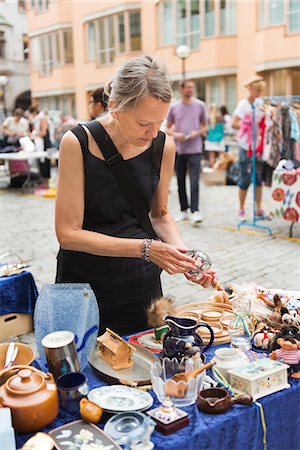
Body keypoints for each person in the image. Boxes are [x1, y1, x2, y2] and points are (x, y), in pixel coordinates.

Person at [55, 55, 214, 335]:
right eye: (144, 123)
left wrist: (183, 255)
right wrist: (147, 249)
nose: (153, 133)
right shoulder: (76, 142)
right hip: (84, 285)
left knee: (142, 367)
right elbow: (67, 233)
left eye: (160, 122)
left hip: (141, 287)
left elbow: (160, 215)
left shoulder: (164, 146)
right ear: (115, 107)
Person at [166, 80, 208, 225]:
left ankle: (195, 211)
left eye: (192, 87)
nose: (191, 90)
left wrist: (197, 132)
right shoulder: (174, 106)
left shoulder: (200, 105)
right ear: (182, 89)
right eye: (188, 87)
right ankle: (183, 210)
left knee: (195, 181)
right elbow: (167, 127)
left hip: (195, 149)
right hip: (179, 149)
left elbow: (205, 127)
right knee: (180, 182)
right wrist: (176, 134)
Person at [232, 76, 266, 222]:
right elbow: (234, 123)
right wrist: (247, 126)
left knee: (259, 179)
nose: (258, 93)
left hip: (258, 146)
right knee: (245, 178)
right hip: (246, 146)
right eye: (257, 90)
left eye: (260, 91)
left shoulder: (261, 104)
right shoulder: (243, 105)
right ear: (251, 89)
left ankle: (258, 208)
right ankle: (241, 209)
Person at [28, 105, 52, 186]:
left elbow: (43, 132)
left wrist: (34, 134)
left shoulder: (42, 119)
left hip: (44, 143)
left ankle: (46, 183)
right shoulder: (36, 120)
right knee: (40, 163)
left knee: (45, 163)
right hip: (40, 143)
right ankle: (42, 182)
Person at [205, 103, 225, 168]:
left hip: (210, 139)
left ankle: (213, 170)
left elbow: (206, 129)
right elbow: (224, 128)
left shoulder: (208, 118)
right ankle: (219, 170)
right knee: (221, 157)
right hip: (220, 139)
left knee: (211, 156)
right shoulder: (221, 118)